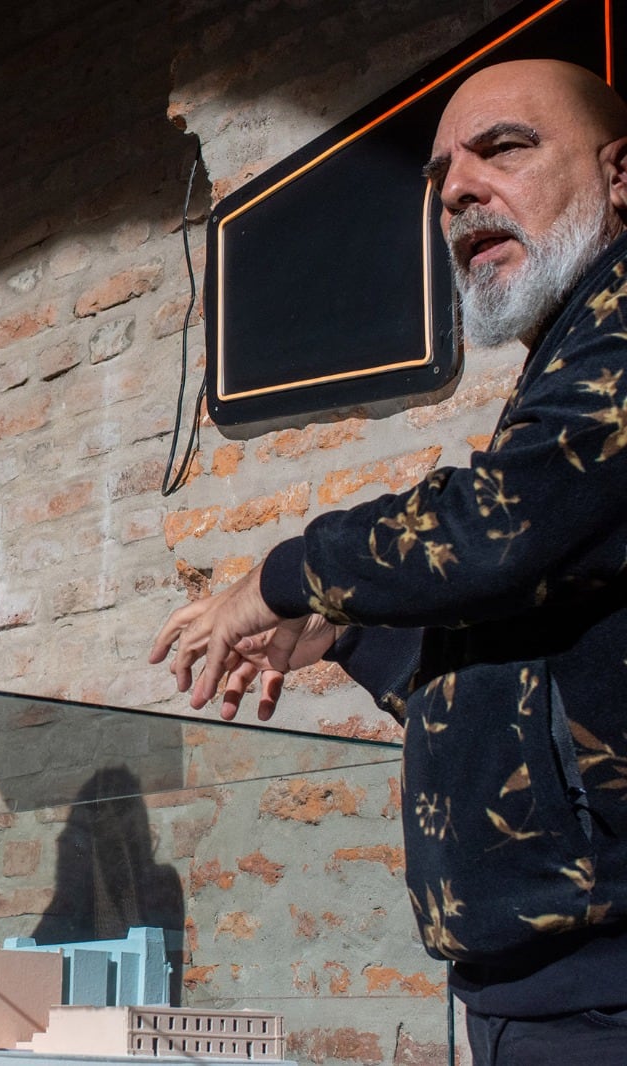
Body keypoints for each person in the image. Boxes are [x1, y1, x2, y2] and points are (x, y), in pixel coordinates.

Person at [150, 60, 627, 1060]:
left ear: (619, 175)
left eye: (502, 147)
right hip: (540, 992)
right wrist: (346, 635)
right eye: (441, 172)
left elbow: (503, 524)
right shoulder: (569, 359)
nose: (457, 187)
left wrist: (284, 574)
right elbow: (526, 672)